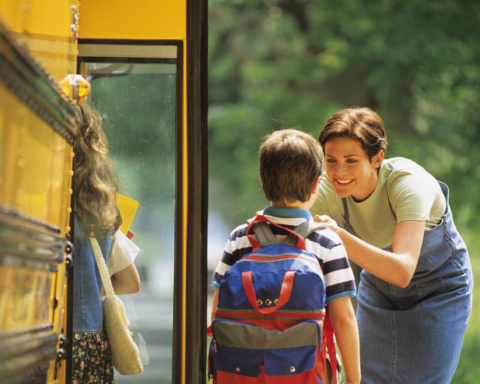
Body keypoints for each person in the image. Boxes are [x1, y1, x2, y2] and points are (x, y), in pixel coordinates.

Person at [311, 107, 473, 383]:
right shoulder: (327, 190)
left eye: (351, 161)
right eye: (330, 160)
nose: (338, 172)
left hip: (439, 290)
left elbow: (402, 271)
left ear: (377, 159)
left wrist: (339, 235)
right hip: (379, 289)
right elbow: (286, 225)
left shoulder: (408, 183)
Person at [211, 129, 361, 384]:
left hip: (243, 373)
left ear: (262, 179)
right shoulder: (326, 242)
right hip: (305, 373)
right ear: (317, 183)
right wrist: (353, 379)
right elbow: (344, 318)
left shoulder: (241, 237)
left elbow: (218, 310)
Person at [72, 102, 141, 384]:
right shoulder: (99, 213)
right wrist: (89, 294)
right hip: (89, 345)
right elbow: (131, 282)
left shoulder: (35, 206)